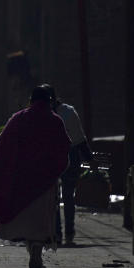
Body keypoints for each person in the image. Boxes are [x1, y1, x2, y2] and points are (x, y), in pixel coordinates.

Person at [0, 84, 71, 268]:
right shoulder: (55, 121)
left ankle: (32, 250)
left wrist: (4, 172)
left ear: (31, 100)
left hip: (20, 179)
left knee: (25, 217)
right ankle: (36, 252)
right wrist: (56, 170)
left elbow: (3, 147)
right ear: (50, 101)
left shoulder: (18, 119)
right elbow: (63, 148)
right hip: (45, 180)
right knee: (41, 219)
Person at [46, 87, 93, 245]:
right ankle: (59, 233)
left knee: (66, 196)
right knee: (57, 197)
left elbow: (79, 139)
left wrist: (90, 159)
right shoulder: (59, 112)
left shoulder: (68, 112)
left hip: (69, 157)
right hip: (53, 158)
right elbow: (81, 138)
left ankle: (68, 232)